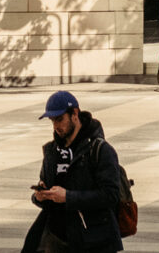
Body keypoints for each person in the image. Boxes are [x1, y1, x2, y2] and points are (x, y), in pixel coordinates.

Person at [22, 89, 125, 253]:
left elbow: (110, 195)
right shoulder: (52, 151)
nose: (56, 126)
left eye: (60, 119)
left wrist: (68, 197)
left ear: (75, 114)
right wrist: (41, 196)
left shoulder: (100, 150)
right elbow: (47, 190)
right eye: (52, 121)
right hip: (56, 238)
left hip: (91, 239)